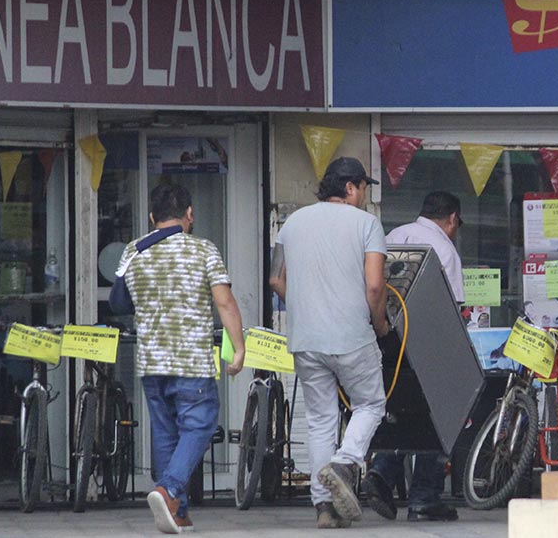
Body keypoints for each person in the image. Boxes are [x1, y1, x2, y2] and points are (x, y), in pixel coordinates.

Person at [270, 157, 390, 529]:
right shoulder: (368, 224)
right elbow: (374, 286)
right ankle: (344, 462)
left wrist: (306, 308)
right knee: (370, 403)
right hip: (352, 335)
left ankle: (324, 507)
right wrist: (381, 323)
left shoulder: (291, 224)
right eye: (364, 189)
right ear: (351, 187)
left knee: (320, 419)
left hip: (306, 338)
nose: (365, 197)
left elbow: (276, 279)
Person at [121, 183, 246, 535]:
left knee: (165, 432)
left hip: (150, 360)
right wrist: (238, 348)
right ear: (189, 214)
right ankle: (170, 488)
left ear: (151, 218)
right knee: (200, 424)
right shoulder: (203, 249)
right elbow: (224, 302)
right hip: (190, 359)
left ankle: (178, 512)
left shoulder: (134, 250)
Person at [363, 192, 464, 523]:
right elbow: (453, 309)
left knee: (399, 411)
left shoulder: (393, 236)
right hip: (430, 345)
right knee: (438, 417)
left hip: (389, 341)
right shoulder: (445, 250)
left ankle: (381, 472)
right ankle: (424, 498)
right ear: (451, 219)